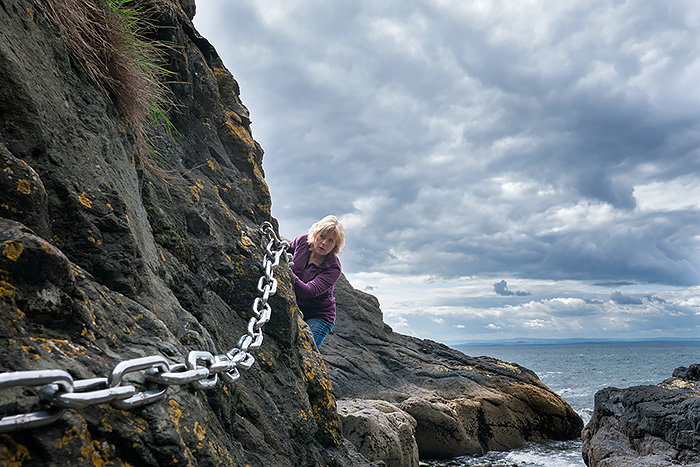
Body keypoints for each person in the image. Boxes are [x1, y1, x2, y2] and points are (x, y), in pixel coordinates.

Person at [288, 215, 345, 349]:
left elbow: (308, 291)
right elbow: (284, 250)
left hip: (319, 315)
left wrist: (286, 272)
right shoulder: (302, 242)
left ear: (335, 245)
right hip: (296, 306)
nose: (324, 243)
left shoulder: (333, 268)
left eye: (330, 240)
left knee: (305, 352)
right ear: (315, 234)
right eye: (322, 236)